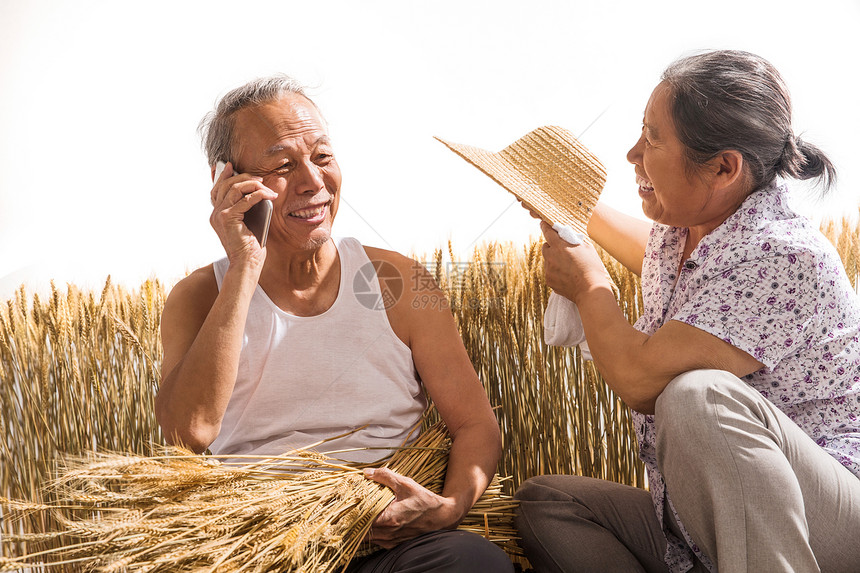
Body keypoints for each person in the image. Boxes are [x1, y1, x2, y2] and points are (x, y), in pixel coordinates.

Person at [514, 50, 860, 572]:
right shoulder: (688, 231)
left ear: (723, 167)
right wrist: (559, 201)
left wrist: (588, 286)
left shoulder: (779, 254)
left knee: (699, 397)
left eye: (653, 138)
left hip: (827, 525)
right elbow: (644, 249)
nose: (633, 153)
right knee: (550, 502)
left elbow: (639, 378)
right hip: (712, 525)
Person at [154, 74, 513, 572]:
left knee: (474, 564)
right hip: (267, 546)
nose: (313, 181)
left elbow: (476, 424)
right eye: (283, 165)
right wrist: (244, 267)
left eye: (322, 157)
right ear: (229, 183)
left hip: (395, 540)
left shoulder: (399, 281)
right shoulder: (199, 297)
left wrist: (447, 509)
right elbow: (189, 431)